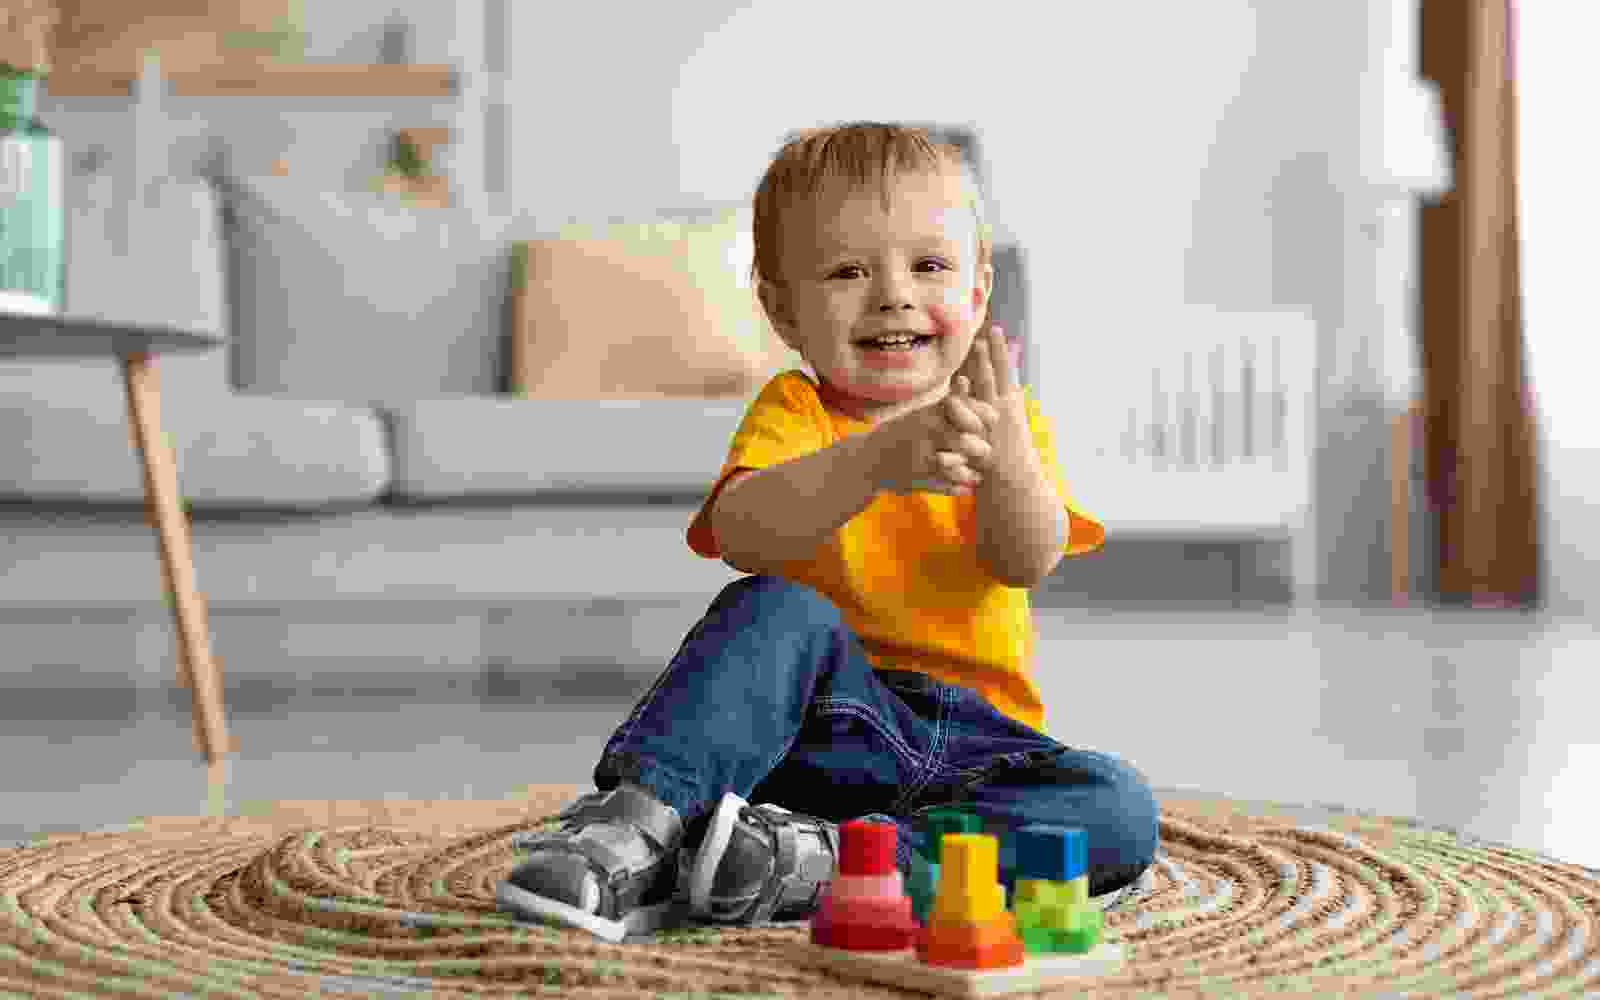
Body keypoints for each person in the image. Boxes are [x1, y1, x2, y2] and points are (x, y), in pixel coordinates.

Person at [498, 122, 1160, 941]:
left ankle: (823, 863)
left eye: (929, 266)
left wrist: (1006, 457)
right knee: (775, 603)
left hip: (975, 750)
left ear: (979, 290)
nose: (894, 295)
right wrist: (879, 459)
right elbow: (744, 534)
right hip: (819, 735)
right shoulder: (795, 412)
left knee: (1117, 806)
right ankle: (636, 827)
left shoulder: (1009, 419)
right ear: (782, 309)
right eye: (849, 271)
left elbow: (1025, 558)